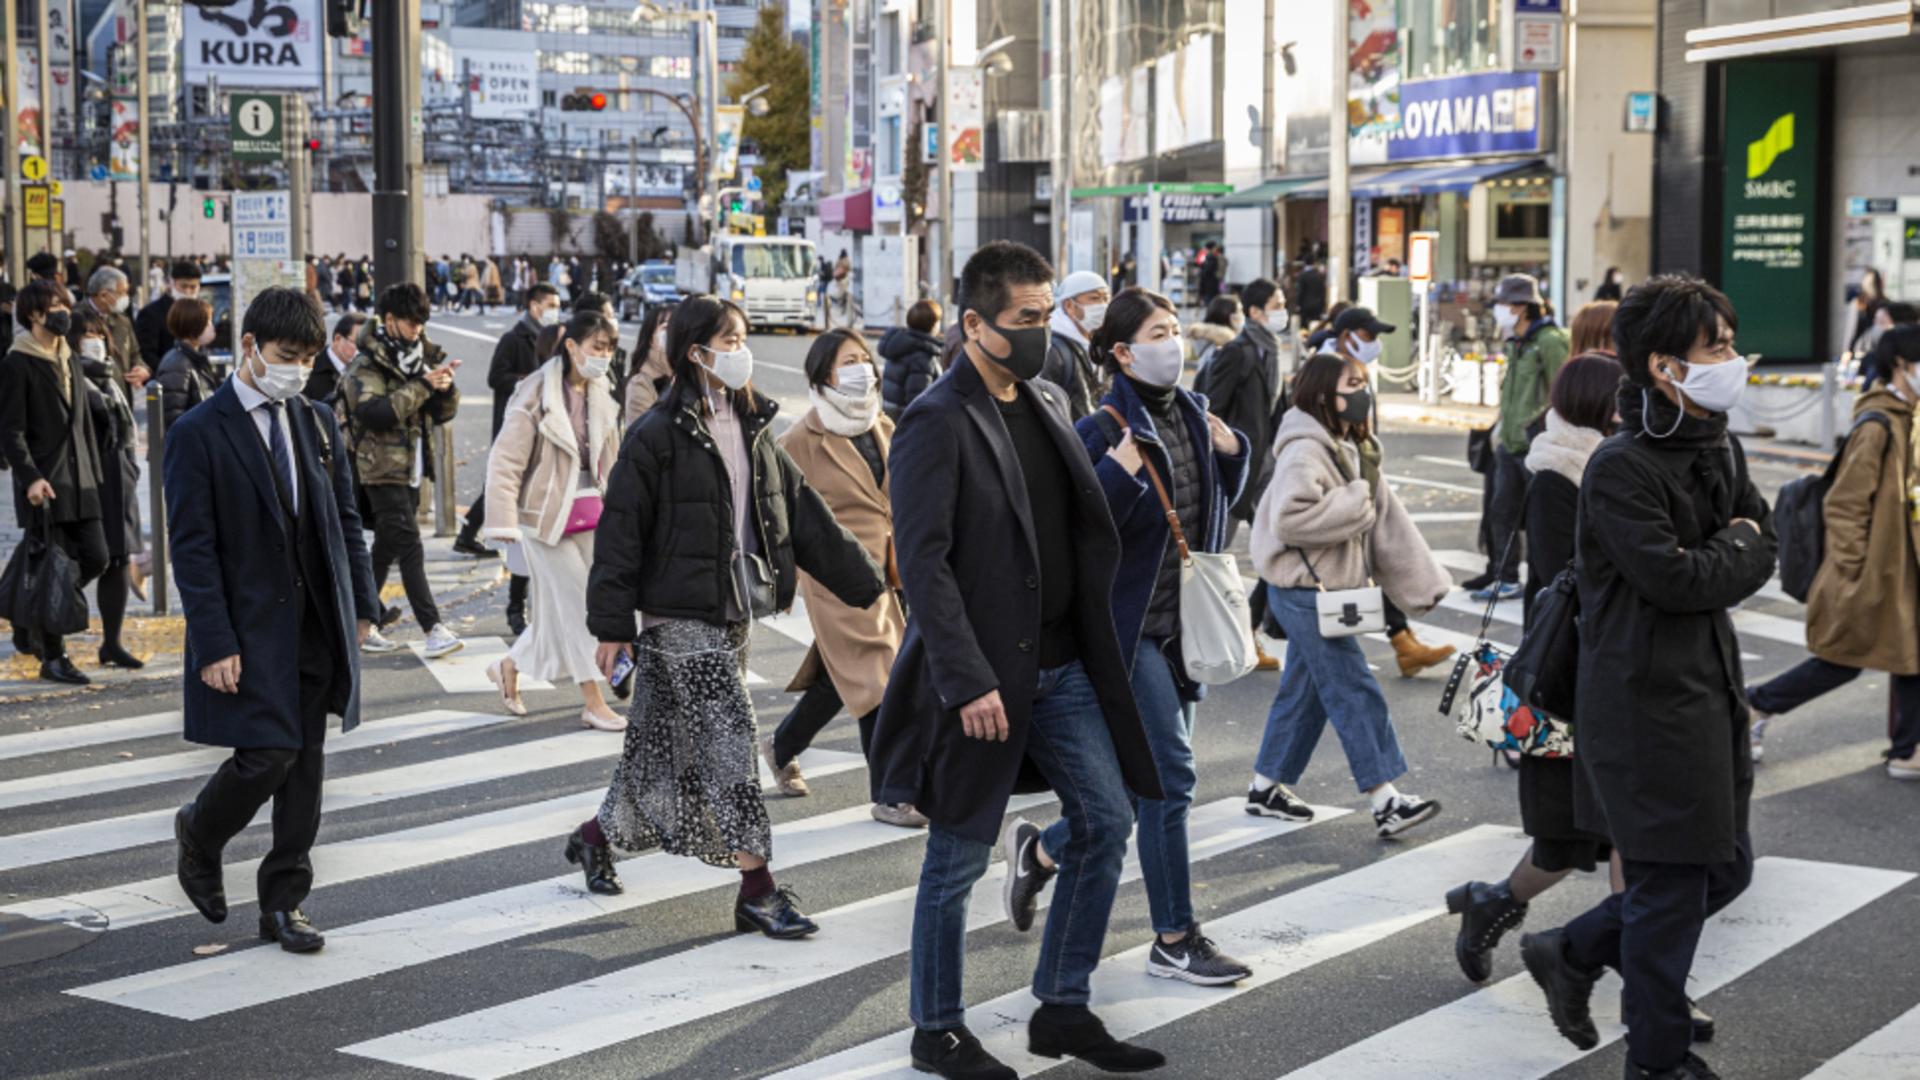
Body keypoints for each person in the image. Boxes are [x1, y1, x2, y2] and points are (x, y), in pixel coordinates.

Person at [868, 241, 1166, 1079]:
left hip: (1066, 664)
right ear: (974, 324)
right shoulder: (935, 419)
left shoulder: (1040, 398)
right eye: (1025, 319)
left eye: (1047, 315)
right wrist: (965, 679)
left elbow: (1057, 525)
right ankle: (937, 1030)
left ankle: (1062, 1008)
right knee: (956, 858)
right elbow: (921, 564)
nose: (1042, 331)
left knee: (1109, 819)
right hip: (987, 678)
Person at [1519, 274, 1771, 1080]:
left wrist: (1729, 550)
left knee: (1724, 866)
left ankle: (1574, 947)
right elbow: (1678, 579)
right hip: (1643, 700)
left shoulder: (1716, 444)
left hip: (1709, 690)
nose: (1733, 360)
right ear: (1666, 367)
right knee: (1669, 885)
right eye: (1717, 348)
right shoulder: (1621, 467)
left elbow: (1762, 540)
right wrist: (1731, 550)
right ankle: (1656, 1063)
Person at [577, 295, 885, 939]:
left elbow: (801, 514)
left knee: (659, 753)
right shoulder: (655, 435)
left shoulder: (753, 426)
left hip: (735, 609)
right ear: (697, 352)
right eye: (733, 339)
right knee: (729, 740)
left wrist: (867, 583)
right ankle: (758, 888)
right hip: (675, 617)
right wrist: (611, 627)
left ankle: (594, 837)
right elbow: (621, 533)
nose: (744, 351)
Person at [163, 286, 381, 955]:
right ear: (250, 346)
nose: (298, 369)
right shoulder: (198, 432)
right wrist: (214, 641)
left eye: (310, 358)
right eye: (288, 355)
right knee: (270, 754)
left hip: (317, 621)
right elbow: (192, 548)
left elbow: (345, 518)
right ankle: (200, 830)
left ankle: (284, 903)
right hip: (250, 625)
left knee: (306, 767)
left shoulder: (314, 420)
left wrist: (364, 604)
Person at [1047, 286, 1254, 985]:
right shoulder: (1099, 430)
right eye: (1159, 333)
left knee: (1145, 783)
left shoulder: (1194, 412)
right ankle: (1173, 937)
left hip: (1183, 627)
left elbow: (1216, 506)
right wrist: (1115, 476)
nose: (1175, 344)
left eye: (1176, 329)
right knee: (1170, 779)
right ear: (1123, 351)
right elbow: (1070, 535)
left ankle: (1043, 852)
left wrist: (1234, 455)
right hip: (1128, 629)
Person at [1246, 352, 1450, 837]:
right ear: (1323, 395)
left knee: (1307, 692)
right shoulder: (1305, 450)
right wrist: (1355, 501)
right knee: (1354, 687)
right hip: (1303, 591)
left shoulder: (1347, 445)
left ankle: (1264, 787)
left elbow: (1389, 522)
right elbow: (1290, 519)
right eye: (1352, 384)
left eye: (1364, 382)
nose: (1363, 392)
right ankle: (1385, 800)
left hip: (1318, 590)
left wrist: (1422, 586)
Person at [763, 328, 923, 827]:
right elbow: (778, 513)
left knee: (844, 676)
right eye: (847, 361)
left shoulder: (882, 423)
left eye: (863, 359)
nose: (862, 369)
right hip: (837, 575)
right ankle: (891, 793)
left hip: (893, 567)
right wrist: (782, 576)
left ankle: (783, 744)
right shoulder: (798, 441)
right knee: (879, 675)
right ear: (822, 375)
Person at [1746, 322, 1920, 779]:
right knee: (1842, 659)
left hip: (1901, 568)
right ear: (1901, 365)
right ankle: (1756, 705)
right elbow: (1844, 505)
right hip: (1873, 572)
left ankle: (1907, 750)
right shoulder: (1879, 425)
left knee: (1910, 655)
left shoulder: (1909, 419)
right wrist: (1853, 570)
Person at [480, 309, 626, 731]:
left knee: (556, 615)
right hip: (543, 520)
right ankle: (593, 701)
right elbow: (505, 460)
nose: (604, 355)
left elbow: (610, 460)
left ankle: (508, 665)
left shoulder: (602, 392)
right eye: (597, 346)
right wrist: (503, 525)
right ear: (571, 346)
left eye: (610, 348)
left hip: (591, 512)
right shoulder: (535, 393)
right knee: (583, 605)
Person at [340, 283, 464, 658]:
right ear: (390, 320)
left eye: (421, 324)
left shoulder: (422, 355)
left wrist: (445, 387)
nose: (418, 331)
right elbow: (375, 412)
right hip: (378, 467)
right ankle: (433, 627)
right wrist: (424, 384)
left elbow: (443, 414)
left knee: (387, 546)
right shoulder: (367, 362)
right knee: (409, 544)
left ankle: (361, 618)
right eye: (412, 324)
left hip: (413, 466)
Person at [0, 280, 109, 685]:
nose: (64, 311)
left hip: (81, 480)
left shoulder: (69, 357)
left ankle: (32, 612)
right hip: (45, 482)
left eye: (66, 303)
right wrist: (30, 477)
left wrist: (96, 474)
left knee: (96, 556)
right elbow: (11, 431)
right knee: (54, 567)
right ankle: (54, 655)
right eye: (55, 306)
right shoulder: (18, 362)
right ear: (33, 314)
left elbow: (81, 421)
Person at [1466, 274, 1569, 602]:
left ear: (1523, 307)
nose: (1500, 310)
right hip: (1509, 444)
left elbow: (1561, 390)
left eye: (1505, 304)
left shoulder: (1551, 341)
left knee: (1541, 520)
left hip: (1535, 445)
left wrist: (1535, 424)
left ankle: (1548, 581)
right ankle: (1504, 576)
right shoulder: (1515, 343)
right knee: (1501, 512)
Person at [454, 284, 561, 574]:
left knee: (505, 481)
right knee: (503, 479)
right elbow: (495, 376)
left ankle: (468, 533)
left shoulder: (553, 336)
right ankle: (471, 534)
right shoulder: (514, 338)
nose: (555, 310)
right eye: (551, 304)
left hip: (541, 419)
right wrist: (524, 382)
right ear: (534, 305)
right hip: (513, 419)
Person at [66, 306, 144, 667]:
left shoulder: (111, 377)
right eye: (87, 335)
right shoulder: (69, 376)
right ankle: (39, 622)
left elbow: (124, 426)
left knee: (119, 557)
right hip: (88, 476)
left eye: (99, 335)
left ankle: (111, 642)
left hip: (118, 475)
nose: (94, 342)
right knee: (91, 557)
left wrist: (130, 464)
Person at [1201, 278, 1286, 544]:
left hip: (1268, 459)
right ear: (1255, 312)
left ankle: (1275, 584)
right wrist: (1225, 451)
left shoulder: (1273, 350)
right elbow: (1212, 407)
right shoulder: (1237, 352)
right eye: (1277, 306)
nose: (1283, 311)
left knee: (1278, 541)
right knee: (1218, 541)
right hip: (1239, 460)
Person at [1042, 271, 1110, 420]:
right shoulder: (1054, 350)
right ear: (1069, 306)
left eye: (1106, 298)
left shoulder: (1100, 344)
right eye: (1094, 298)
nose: (1103, 305)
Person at [156, 298, 221, 430]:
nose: (211, 326)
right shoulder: (177, 364)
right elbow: (173, 416)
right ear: (194, 325)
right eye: (207, 322)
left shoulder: (198, 358)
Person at [879, 298, 945, 421]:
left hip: (889, 411)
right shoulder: (923, 356)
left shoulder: (899, 344)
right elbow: (918, 398)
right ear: (932, 324)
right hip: (907, 419)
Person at [135, 260, 202, 369]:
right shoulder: (151, 313)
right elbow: (146, 353)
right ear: (172, 283)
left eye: (193, 287)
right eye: (184, 286)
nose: (188, 292)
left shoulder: (200, 311)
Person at [622, 300, 677, 423]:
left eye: (678, 328)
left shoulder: (687, 374)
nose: (673, 334)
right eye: (667, 328)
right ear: (651, 339)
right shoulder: (641, 384)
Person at [302, 312, 367, 406]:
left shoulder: (367, 369)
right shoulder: (310, 368)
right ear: (338, 339)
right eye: (358, 343)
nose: (362, 350)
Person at [1186, 294, 1240, 381]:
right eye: (1239, 311)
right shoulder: (1221, 346)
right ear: (1229, 315)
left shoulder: (1207, 340)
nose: (1242, 315)